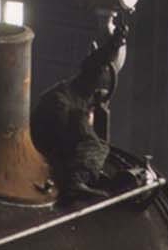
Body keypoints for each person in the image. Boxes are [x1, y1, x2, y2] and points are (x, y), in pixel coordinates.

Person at [30, 15, 129, 199]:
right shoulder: (72, 99)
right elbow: (96, 63)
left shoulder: (69, 90)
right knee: (97, 147)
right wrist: (115, 43)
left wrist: (115, 44)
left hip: (42, 129)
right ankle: (75, 181)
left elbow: (95, 63)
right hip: (52, 127)